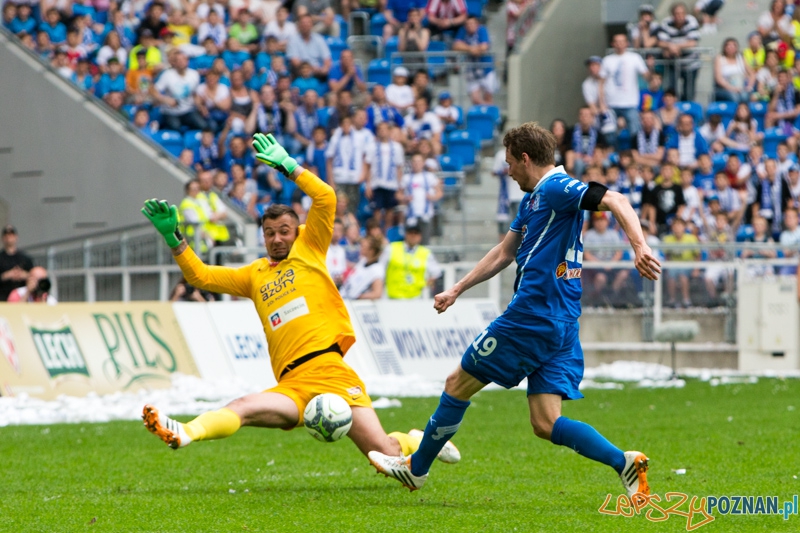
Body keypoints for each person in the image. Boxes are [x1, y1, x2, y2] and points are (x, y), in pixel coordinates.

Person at [368, 122, 661, 496]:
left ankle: (416, 468)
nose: (507, 170)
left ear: (525, 159)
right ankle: (625, 463)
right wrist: (458, 288)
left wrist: (640, 246)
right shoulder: (532, 200)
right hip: (561, 320)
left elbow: (617, 200)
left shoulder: (557, 187)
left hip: (531, 316)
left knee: (457, 384)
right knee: (545, 422)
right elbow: (505, 252)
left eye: (509, 163)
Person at [141, 134, 460, 471]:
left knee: (386, 454)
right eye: (270, 232)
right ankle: (185, 431)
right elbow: (201, 277)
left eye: (284, 231)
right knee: (245, 405)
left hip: (330, 371)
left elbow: (325, 196)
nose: (277, 238)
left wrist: (288, 166)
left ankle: (420, 440)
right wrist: (174, 238)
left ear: (297, 232)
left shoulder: (310, 249)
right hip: (291, 385)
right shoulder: (254, 275)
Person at [598, 33, 650, 136]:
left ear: (627, 43)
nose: (619, 44)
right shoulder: (607, 60)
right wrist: (602, 103)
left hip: (630, 103)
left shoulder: (635, 57)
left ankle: (633, 152)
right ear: (612, 44)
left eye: (622, 41)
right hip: (611, 104)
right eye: (617, 42)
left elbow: (646, 76)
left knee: (635, 133)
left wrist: (650, 67)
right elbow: (601, 83)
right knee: (609, 134)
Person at [382, 221, 442, 299]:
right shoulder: (391, 248)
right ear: (406, 234)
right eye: (410, 233)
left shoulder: (425, 253)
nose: (413, 236)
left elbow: (436, 273)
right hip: (392, 297)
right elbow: (381, 268)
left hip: (415, 298)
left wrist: (426, 284)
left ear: (420, 236)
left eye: (416, 233)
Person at [362, 121, 405, 229]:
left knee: (390, 210)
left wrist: (400, 187)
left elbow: (398, 167)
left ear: (389, 131)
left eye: (385, 129)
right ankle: (376, 232)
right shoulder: (372, 147)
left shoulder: (397, 147)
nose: (382, 132)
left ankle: (387, 232)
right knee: (377, 210)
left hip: (391, 184)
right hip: (377, 183)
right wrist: (368, 185)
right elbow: (368, 166)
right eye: (380, 129)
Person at [151, 50, 207, 131]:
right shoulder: (167, 75)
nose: (181, 62)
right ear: (174, 63)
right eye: (178, 60)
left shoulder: (194, 75)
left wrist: (201, 106)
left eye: (183, 59)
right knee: (175, 128)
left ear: (187, 61)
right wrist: (165, 99)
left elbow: (194, 94)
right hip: (170, 112)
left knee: (203, 125)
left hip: (188, 110)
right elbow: (153, 90)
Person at [657, 2, 701, 101]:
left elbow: (693, 42)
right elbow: (660, 42)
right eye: (677, 14)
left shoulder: (691, 21)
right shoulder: (666, 23)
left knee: (688, 93)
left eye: (682, 13)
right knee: (671, 91)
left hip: (690, 63)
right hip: (672, 63)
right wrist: (670, 46)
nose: (679, 16)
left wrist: (675, 46)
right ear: (672, 15)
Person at [399, 153, 443, 243]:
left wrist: (432, 197)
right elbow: (398, 194)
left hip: (426, 214)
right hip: (411, 215)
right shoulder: (406, 178)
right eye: (414, 161)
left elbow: (439, 193)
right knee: (411, 241)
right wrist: (405, 198)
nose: (417, 164)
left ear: (423, 163)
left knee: (425, 241)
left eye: (419, 161)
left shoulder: (430, 177)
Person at [452, 17, 496, 105]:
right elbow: (456, 45)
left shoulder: (482, 30)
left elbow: (484, 46)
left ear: (477, 24)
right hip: (472, 70)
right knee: (475, 99)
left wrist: (468, 48)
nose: (469, 26)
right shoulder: (463, 31)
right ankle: (483, 110)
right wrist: (470, 49)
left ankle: (487, 113)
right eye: (467, 24)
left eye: (472, 23)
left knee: (488, 96)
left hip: (486, 69)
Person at [339, 235, 385, 299]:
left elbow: (377, 294)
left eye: (364, 247)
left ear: (371, 251)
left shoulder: (377, 269)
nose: (360, 248)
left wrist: (359, 297)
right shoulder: (363, 261)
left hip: (359, 305)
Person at [714, 38, 755, 103]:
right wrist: (731, 88)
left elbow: (752, 73)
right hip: (725, 88)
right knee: (734, 97)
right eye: (728, 45)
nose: (731, 47)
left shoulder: (741, 58)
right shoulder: (720, 58)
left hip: (741, 87)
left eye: (733, 45)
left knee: (745, 96)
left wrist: (749, 86)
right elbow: (719, 79)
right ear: (724, 47)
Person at [0, 225, 34, 302]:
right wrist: (6, 275)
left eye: (11, 235)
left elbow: (33, 275)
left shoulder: (25, 258)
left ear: (16, 237)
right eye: (6, 235)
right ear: (3, 238)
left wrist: (24, 275)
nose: (9, 237)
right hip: (3, 297)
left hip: (21, 297)